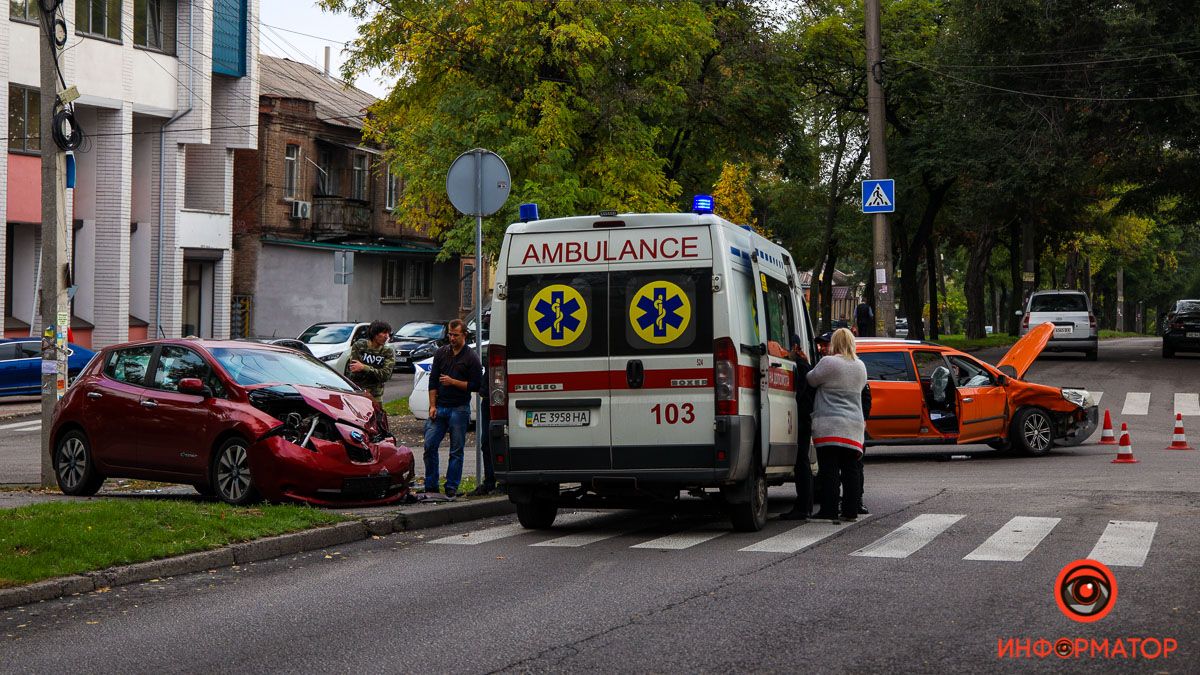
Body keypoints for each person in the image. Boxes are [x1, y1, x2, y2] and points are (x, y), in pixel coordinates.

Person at [807, 327, 868, 523]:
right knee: (851, 469)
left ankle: (829, 509)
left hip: (829, 424)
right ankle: (851, 509)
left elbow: (811, 379)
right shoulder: (860, 366)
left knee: (829, 470)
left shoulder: (828, 362)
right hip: (853, 425)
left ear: (835, 343)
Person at [424, 319, 481, 498]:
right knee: (429, 445)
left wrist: (453, 382)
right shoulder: (441, 353)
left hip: (459, 408)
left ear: (464, 335)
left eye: (455, 335)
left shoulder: (471, 357)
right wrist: (432, 405)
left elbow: (476, 385)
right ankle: (431, 485)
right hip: (440, 407)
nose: (452, 338)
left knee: (456, 450)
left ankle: (451, 487)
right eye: (450, 334)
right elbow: (433, 381)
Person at [781, 333, 816, 521]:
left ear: (795, 347)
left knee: (802, 462)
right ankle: (804, 505)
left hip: (802, 419)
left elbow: (800, 394)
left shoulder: (801, 366)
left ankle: (803, 506)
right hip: (803, 417)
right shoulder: (802, 364)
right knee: (802, 462)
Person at [346, 320, 395, 403]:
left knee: (376, 415)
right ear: (374, 333)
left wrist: (364, 367)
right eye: (384, 333)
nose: (386, 336)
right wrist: (376, 372)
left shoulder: (388, 351)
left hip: (376, 396)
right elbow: (354, 371)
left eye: (388, 333)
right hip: (358, 393)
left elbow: (385, 375)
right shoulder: (359, 346)